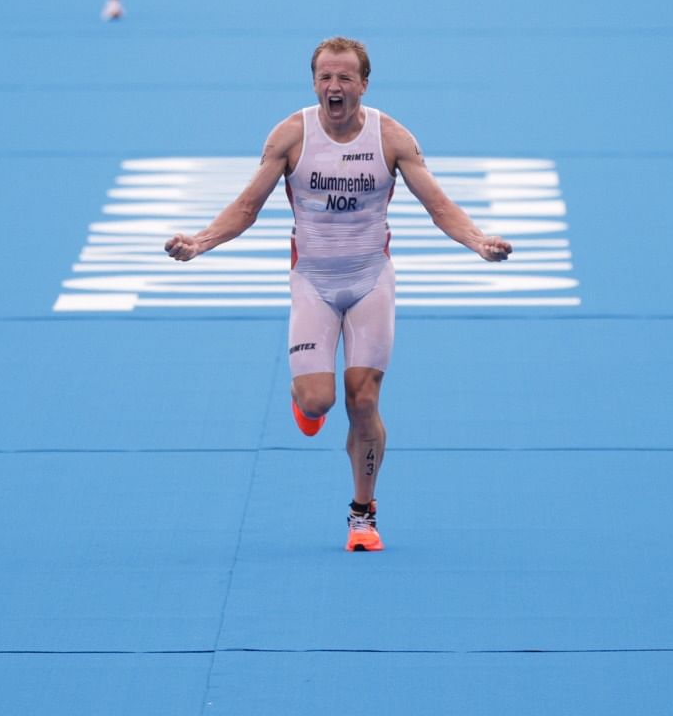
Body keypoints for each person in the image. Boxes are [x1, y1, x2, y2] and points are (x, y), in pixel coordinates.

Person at [165, 36, 512, 552]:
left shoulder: (391, 138)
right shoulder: (291, 137)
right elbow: (246, 207)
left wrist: (478, 241)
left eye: (345, 77)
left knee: (363, 398)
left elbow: (439, 207)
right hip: (314, 285)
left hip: (371, 280)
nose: (334, 86)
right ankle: (305, 400)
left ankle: (362, 514)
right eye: (325, 77)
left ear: (363, 85)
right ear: (314, 83)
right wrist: (200, 242)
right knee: (318, 398)